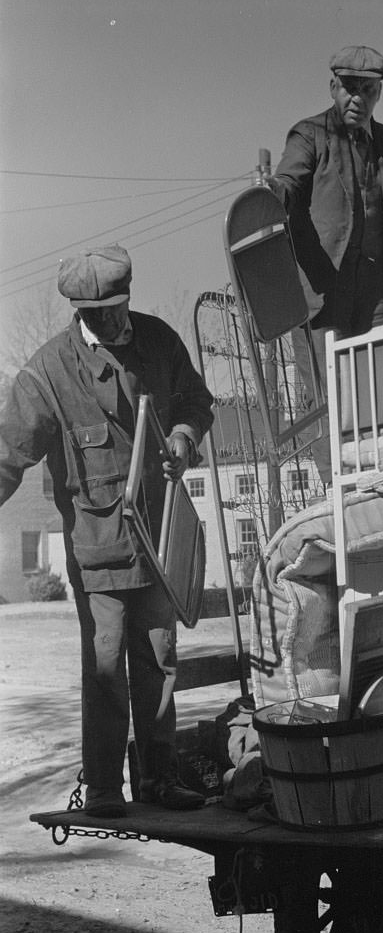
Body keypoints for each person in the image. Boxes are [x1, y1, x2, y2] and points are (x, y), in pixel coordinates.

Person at [0, 245, 214, 818]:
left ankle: (159, 780)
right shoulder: (47, 372)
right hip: (97, 552)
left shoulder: (160, 341)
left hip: (160, 543)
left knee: (159, 661)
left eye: (118, 308)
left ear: (128, 298)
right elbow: (6, 456)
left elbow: (197, 400)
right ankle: (102, 789)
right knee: (105, 669)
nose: (113, 322)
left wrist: (184, 439)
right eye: (99, 314)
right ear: (79, 311)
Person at [270, 44, 383, 482]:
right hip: (321, 291)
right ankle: (336, 486)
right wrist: (271, 197)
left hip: (374, 289)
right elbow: (288, 183)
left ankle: (382, 477)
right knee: (329, 395)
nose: (357, 98)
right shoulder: (308, 135)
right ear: (333, 88)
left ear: (378, 95)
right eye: (349, 88)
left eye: (367, 90)